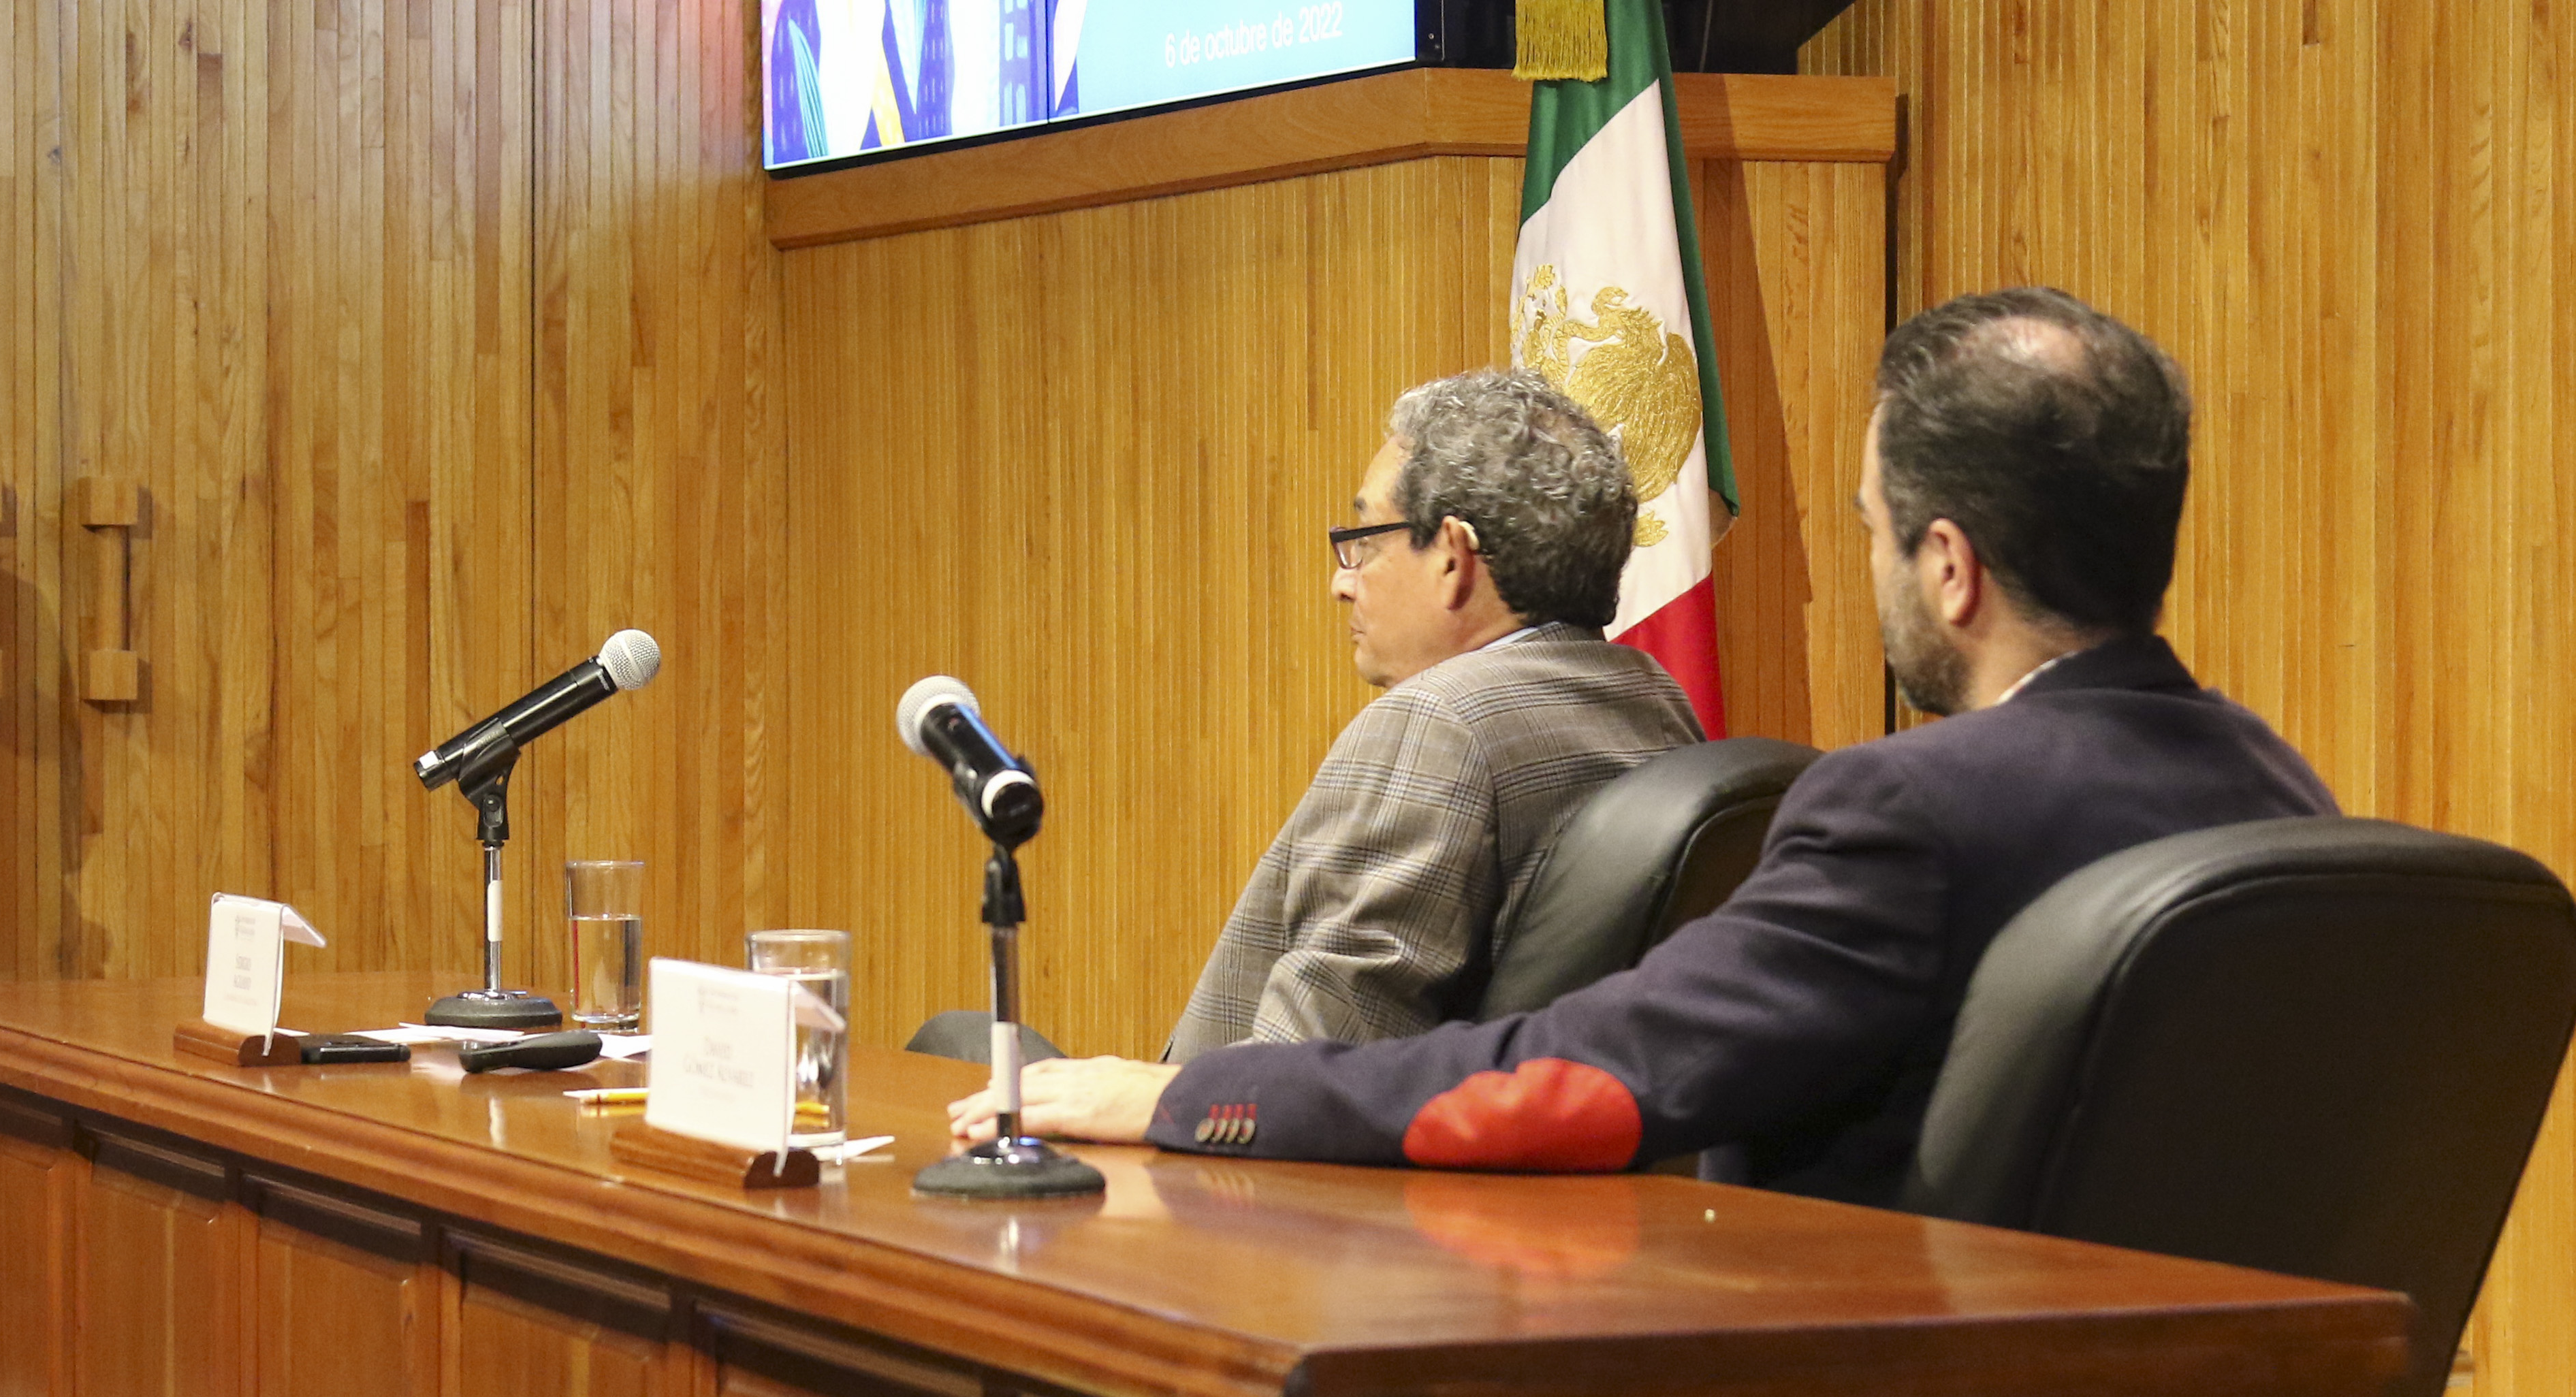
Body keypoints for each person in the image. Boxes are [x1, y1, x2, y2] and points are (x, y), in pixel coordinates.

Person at [956, 287, 2334, 1204]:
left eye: (1867, 529)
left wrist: (1190, 1095)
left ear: (1947, 566)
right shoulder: (2283, 798)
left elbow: (1578, 1080)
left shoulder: (1908, 809)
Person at [1162, 368, 1703, 1059]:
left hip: (1228, 1127)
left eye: (1365, 540)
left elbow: (1308, 1071)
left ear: (1452, 556)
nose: (1341, 581)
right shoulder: (1655, 699)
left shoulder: (1436, 726)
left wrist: (1131, 1099)